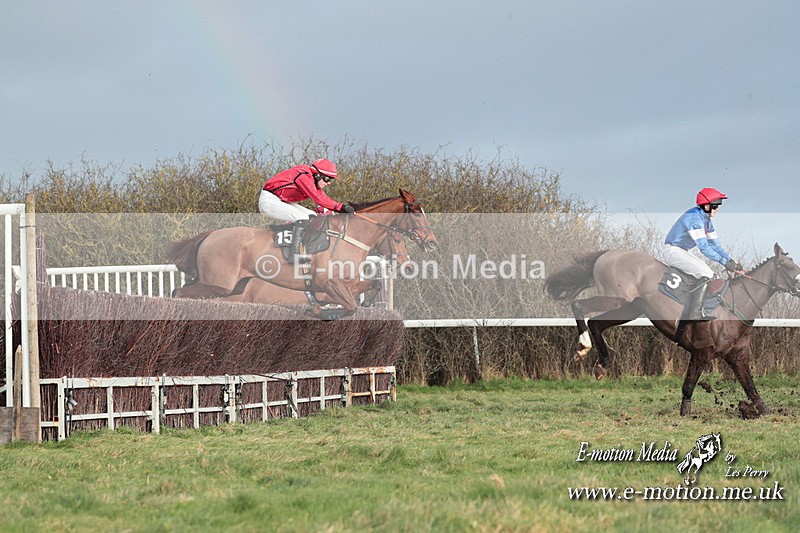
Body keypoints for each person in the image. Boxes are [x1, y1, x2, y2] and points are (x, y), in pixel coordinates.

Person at [664, 187, 743, 328]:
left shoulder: (707, 221)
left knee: (710, 274)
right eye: (716, 206)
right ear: (706, 206)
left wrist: (730, 260)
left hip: (681, 251)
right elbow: (704, 247)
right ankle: (694, 312)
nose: (718, 209)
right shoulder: (694, 218)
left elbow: (715, 246)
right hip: (673, 251)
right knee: (706, 273)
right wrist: (724, 263)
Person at [259, 158, 356, 260]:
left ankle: (303, 246)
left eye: (331, 180)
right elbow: (319, 199)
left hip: (280, 201)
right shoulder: (304, 175)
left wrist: (342, 208)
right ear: (317, 175)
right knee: (302, 217)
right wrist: (341, 207)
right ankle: (294, 254)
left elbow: (323, 197)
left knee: (312, 216)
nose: (329, 183)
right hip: (269, 201)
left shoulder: (311, 179)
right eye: (327, 179)